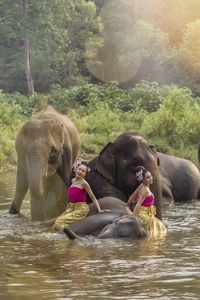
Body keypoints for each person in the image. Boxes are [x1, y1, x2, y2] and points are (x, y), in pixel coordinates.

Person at [51, 160, 110, 231]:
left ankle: (68, 235)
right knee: (55, 224)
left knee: (59, 223)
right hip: (70, 208)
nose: (80, 172)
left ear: (85, 174)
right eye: (79, 169)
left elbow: (93, 197)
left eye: (83, 171)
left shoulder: (84, 184)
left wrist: (99, 210)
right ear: (76, 169)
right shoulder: (72, 180)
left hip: (81, 209)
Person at [126, 166, 167, 237]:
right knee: (158, 225)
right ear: (143, 180)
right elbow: (138, 205)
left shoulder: (141, 186)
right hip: (143, 214)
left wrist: (127, 205)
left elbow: (132, 197)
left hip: (146, 213)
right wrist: (132, 217)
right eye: (148, 178)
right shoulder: (146, 191)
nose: (151, 178)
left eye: (151, 176)